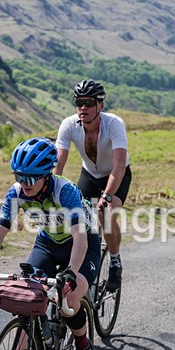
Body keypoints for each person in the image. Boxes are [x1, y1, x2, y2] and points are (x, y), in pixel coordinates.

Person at [0, 137, 101, 350]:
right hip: (48, 243)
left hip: (82, 245)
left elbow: (80, 237)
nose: (25, 184)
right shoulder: (17, 192)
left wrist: (72, 273)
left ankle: (83, 347)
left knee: (70, 296)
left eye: (31, 178)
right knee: (23, 300)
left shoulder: (65, 191)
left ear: (46, 175)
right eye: (20, 176)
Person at [55, 79, 130, 291]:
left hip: (115, 175)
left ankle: (115, 261)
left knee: (107, 214)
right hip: (89, 174)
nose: (83, 108)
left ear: (100, 105)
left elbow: (118, 167)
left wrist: (106, 197)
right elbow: (58, 165)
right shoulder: (69, 125)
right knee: (77, 215)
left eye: (88, 102)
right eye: (79, 103)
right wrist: (53, 193)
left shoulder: (114, 124)